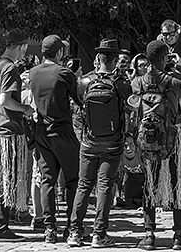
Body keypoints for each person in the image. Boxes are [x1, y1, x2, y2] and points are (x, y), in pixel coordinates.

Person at [132, 40, 181, 251]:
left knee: (149, 183)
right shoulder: (173, 81)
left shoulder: (138, 82)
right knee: (177, 183)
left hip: (148, 139)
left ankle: (149, 235)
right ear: (164, 58)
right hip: (175, 137)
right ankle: (178, 236)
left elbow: (132, 107)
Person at [67, 39, 132, 248]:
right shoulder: (120, 83)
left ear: (99, 59)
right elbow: (130, 107)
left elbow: (79, 108)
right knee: (105, 185)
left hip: (89, 141)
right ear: (114, 61)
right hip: (112, 142)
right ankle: (99, 234)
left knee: (83, 185)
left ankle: (74, 232)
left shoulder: (85, 82)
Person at [29, 35, 82, 243]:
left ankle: (49, 228)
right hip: (62, 131)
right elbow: (78, 99)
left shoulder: (33, 73)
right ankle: (72, 226)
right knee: (73, 180)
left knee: (47, 180)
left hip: (41, 133)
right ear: (59, 53)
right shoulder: (64, 73)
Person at [0, 29, 35, 242]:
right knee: (7, 178)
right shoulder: (10, 68)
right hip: (8, 131)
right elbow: (5, 99)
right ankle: (0, 228)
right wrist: (25, 109)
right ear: (21, 46)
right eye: (25, 49)